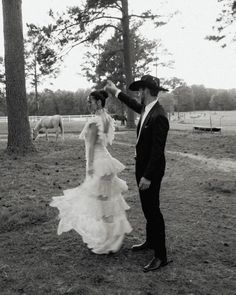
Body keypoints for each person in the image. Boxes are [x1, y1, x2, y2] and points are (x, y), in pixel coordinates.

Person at [50, 90, 132, 254]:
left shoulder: (95, 121)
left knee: (102, 204)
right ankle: (111, 238)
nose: (88, 104)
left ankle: (109, 242)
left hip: (99, 165)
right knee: (107, 202)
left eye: (90, 101)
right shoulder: (107, 118)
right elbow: (104, 143)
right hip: (107, 162)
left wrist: (90, 168)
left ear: (99, 103)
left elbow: (92, 146)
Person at [105, 75, 170, 272]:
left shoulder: (159, 115)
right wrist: (115, 91)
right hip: (141, 168)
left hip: (151, 172)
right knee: (147, 208)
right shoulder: (146, 109)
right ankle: (150, 242)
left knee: (153, 211)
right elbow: (131, 102)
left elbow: (158, 151)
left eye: (141, 90)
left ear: (148, 91)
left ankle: (161, 256)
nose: (138, 93)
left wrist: (148, 176)